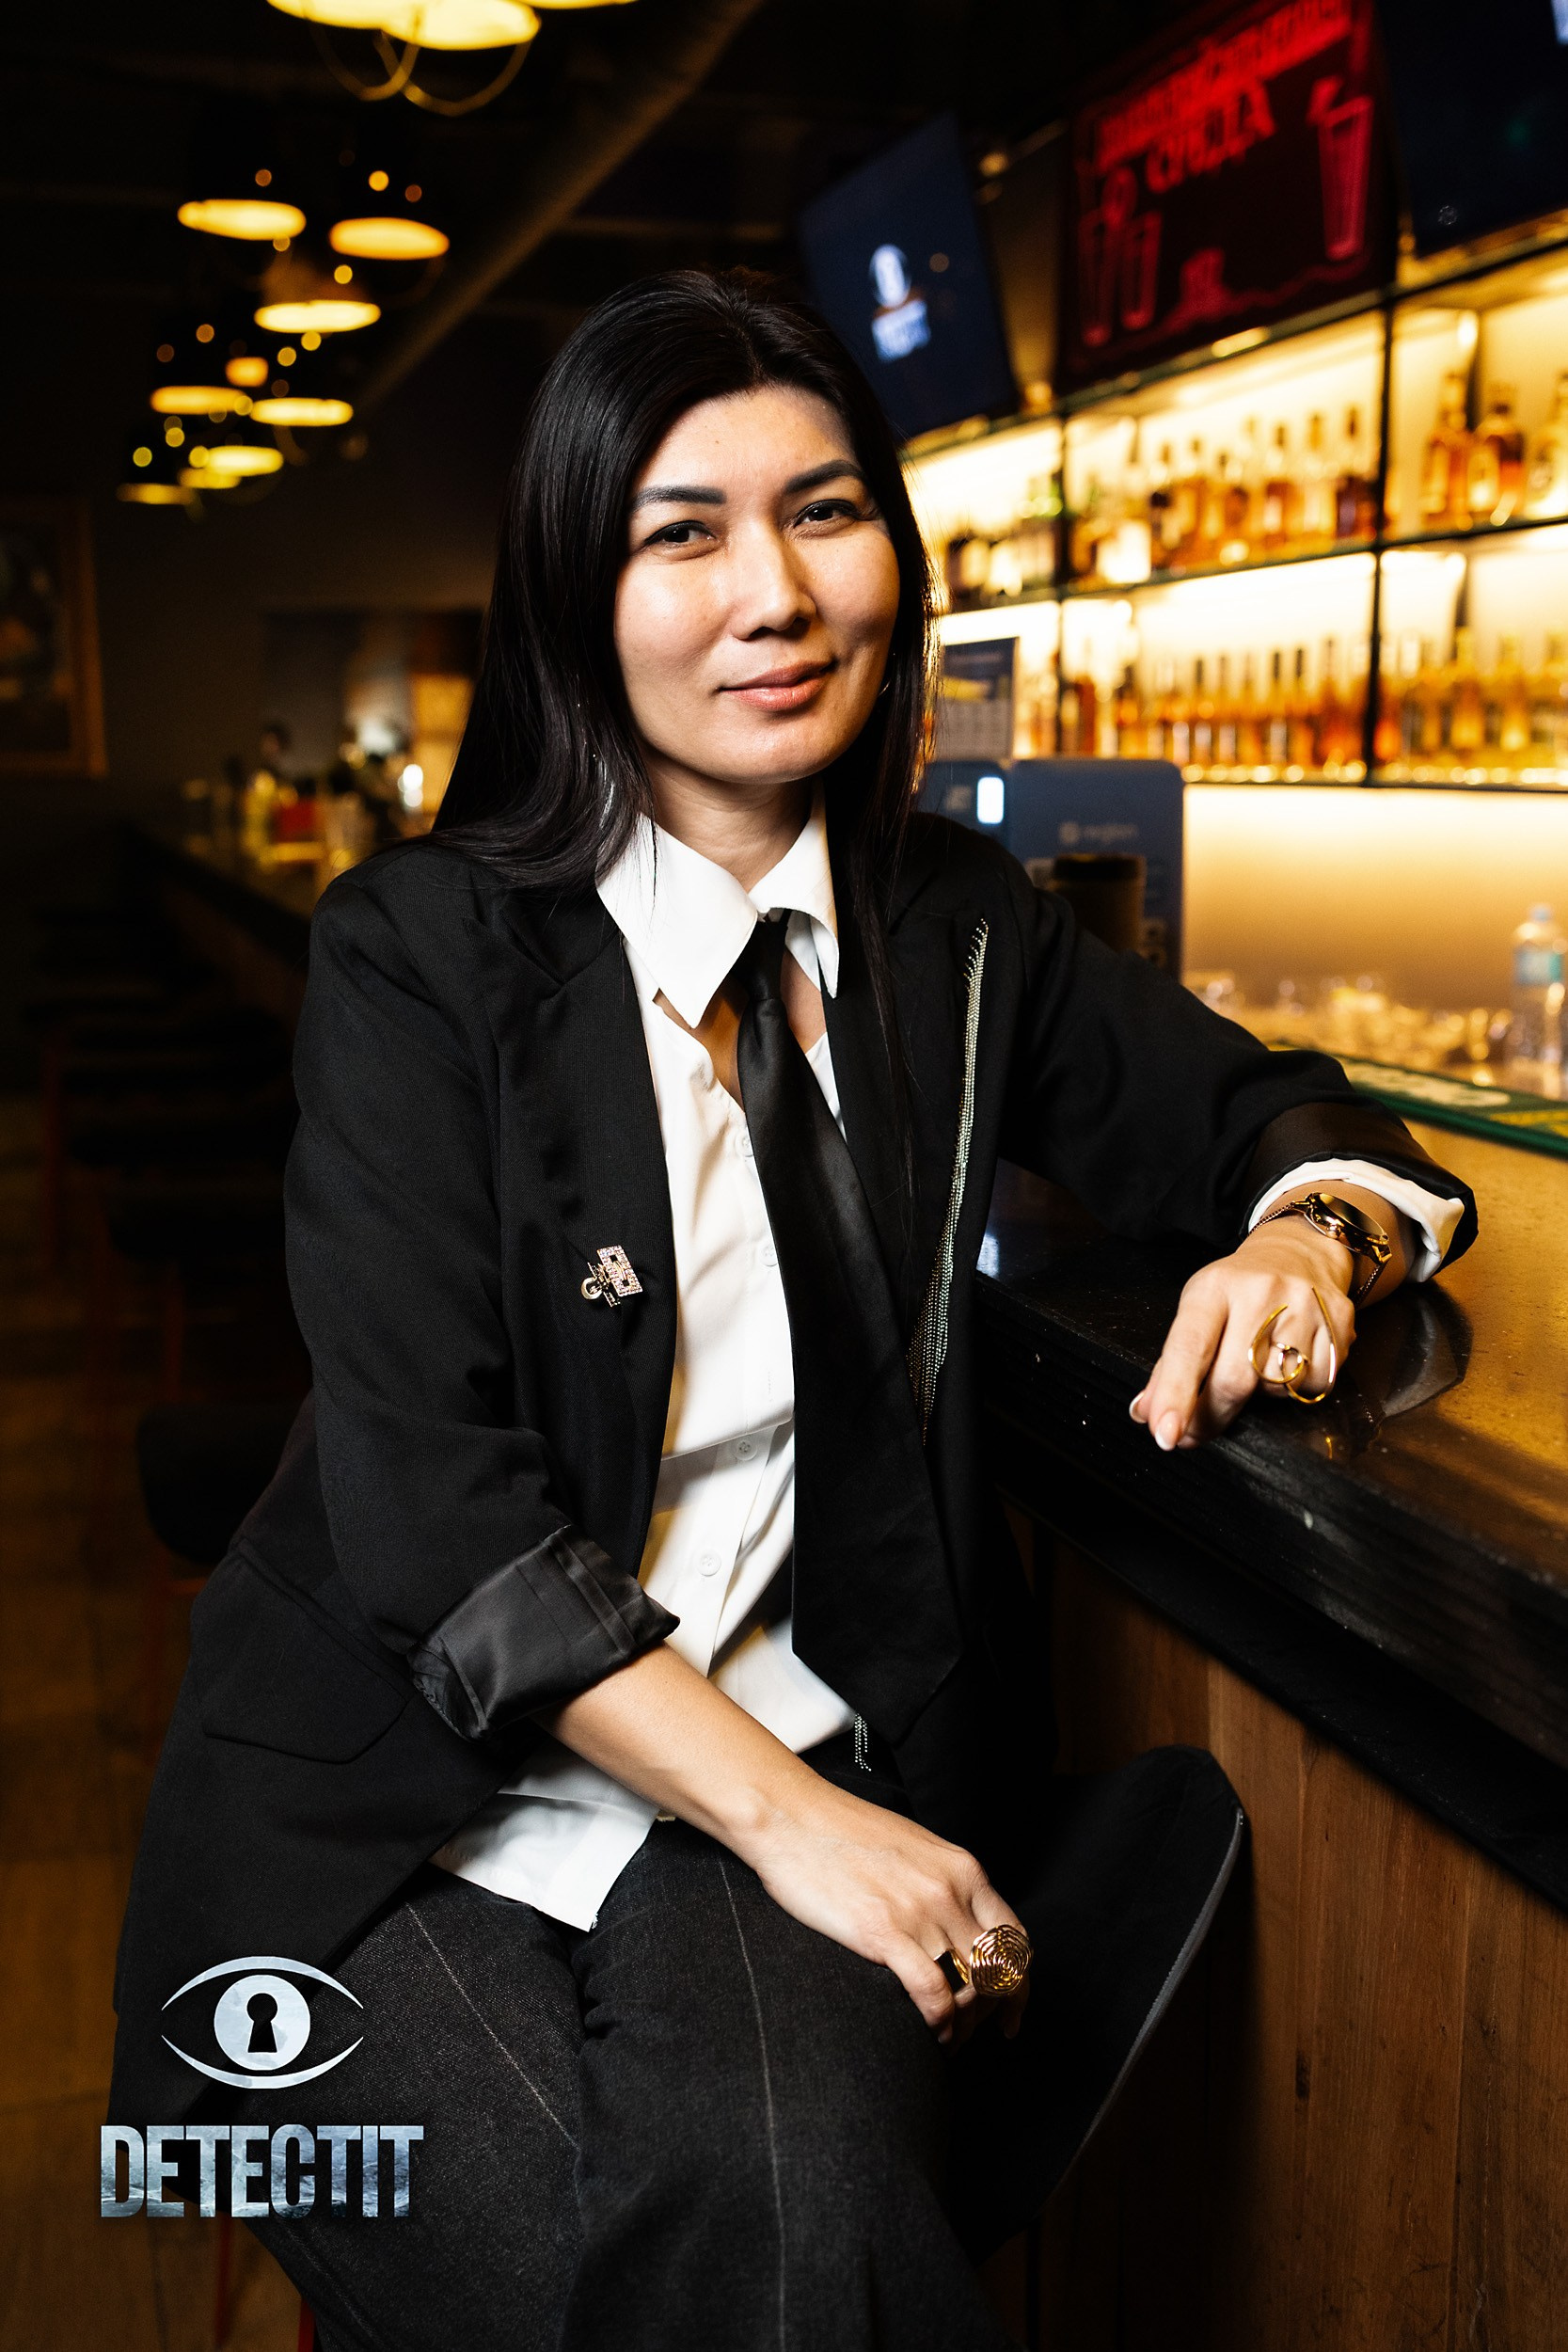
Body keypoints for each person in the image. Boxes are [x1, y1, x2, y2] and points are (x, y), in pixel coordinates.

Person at [108, 272, 1476, 2352]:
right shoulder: (423, 955)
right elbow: (440, 1528)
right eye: (684, 532)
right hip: (385, 1804)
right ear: (575, 594)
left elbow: (1289, 1120)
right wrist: (811, 1833)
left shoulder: (960, 933)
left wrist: (1308, 1243)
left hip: (776, 1772)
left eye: (824, 512)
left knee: (799, 2229)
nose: (776, 593)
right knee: (732, 2282)